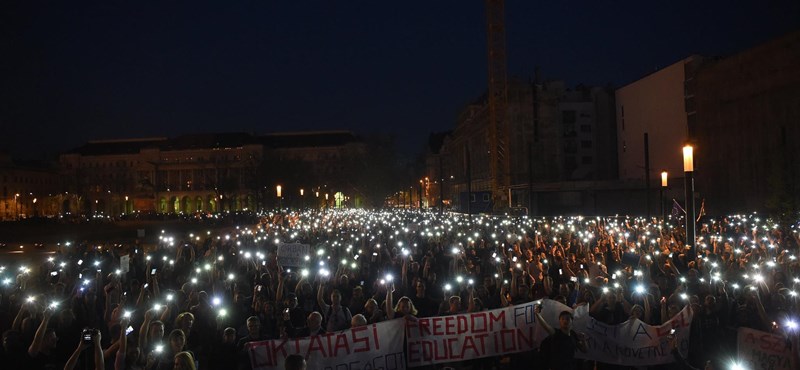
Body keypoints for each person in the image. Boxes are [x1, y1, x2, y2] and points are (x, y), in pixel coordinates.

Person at [534, 305, 587, 370]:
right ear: (559, 321)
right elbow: (545, 326)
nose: (565, 321)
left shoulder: (573, 335)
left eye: (567, 319)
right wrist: (538, 314)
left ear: (571, 321)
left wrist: (583, 340)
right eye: (562, 319)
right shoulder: (556, 333)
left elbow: (584, 350)